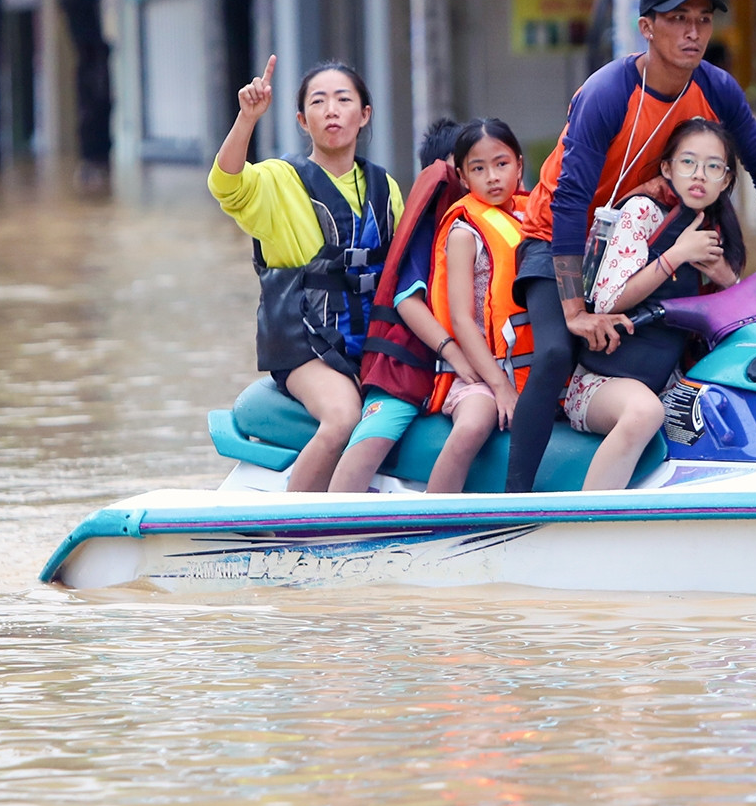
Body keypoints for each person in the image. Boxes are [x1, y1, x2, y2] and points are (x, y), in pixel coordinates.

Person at [506, 0, 756, 493]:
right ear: (647, 28)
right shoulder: (608, 92)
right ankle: (514, 498)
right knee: (559, 350)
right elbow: (569, 202)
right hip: (556, 239)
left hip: (637, 238)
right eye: (678, 19)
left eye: (703, 19)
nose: (693, 32)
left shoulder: (716, 88)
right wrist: (574, 310)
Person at [209, 56, 402, 491]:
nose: (331, 110)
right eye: (318, 101)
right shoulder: (278, 179)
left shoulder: (385, 187)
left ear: (364, 114)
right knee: (342, 417)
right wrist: (247, 119)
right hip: (305, 348)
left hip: (368, 344)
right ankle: (294, 528)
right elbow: (226, 184)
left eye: (343, 99)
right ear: (302, 119)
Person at [563, 118, 746, 489]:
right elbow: (607, 301)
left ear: (726, 180)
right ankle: (586, 525)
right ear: (667, 167)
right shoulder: (642, 212)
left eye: (713, 167)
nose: (700, 175)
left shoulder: (714, 229)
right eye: (688, 163)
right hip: (602, 382)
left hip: (670, 380)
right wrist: (675, 256)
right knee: (645, 412)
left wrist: (728, 278)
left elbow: (735, 314)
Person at [327, 118, 476, 492]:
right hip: (409, 364)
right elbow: (408, 302)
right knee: (377, 435)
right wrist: (456, 356)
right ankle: (327, 532)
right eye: (474, 166)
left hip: (482, 363)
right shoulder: (429, 227)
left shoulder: (499, 222)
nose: (486, 177)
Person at [421, 119, 534, 493]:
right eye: (479, 169)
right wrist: (500, 387)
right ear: (463, 177)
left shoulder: (533, 219)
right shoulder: (463, 232)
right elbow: (461, 318)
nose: (492, 177)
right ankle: (431, 520)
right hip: (481, 372)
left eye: (501, 164)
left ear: (519, 165)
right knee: (473, 424)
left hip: (531, 369)